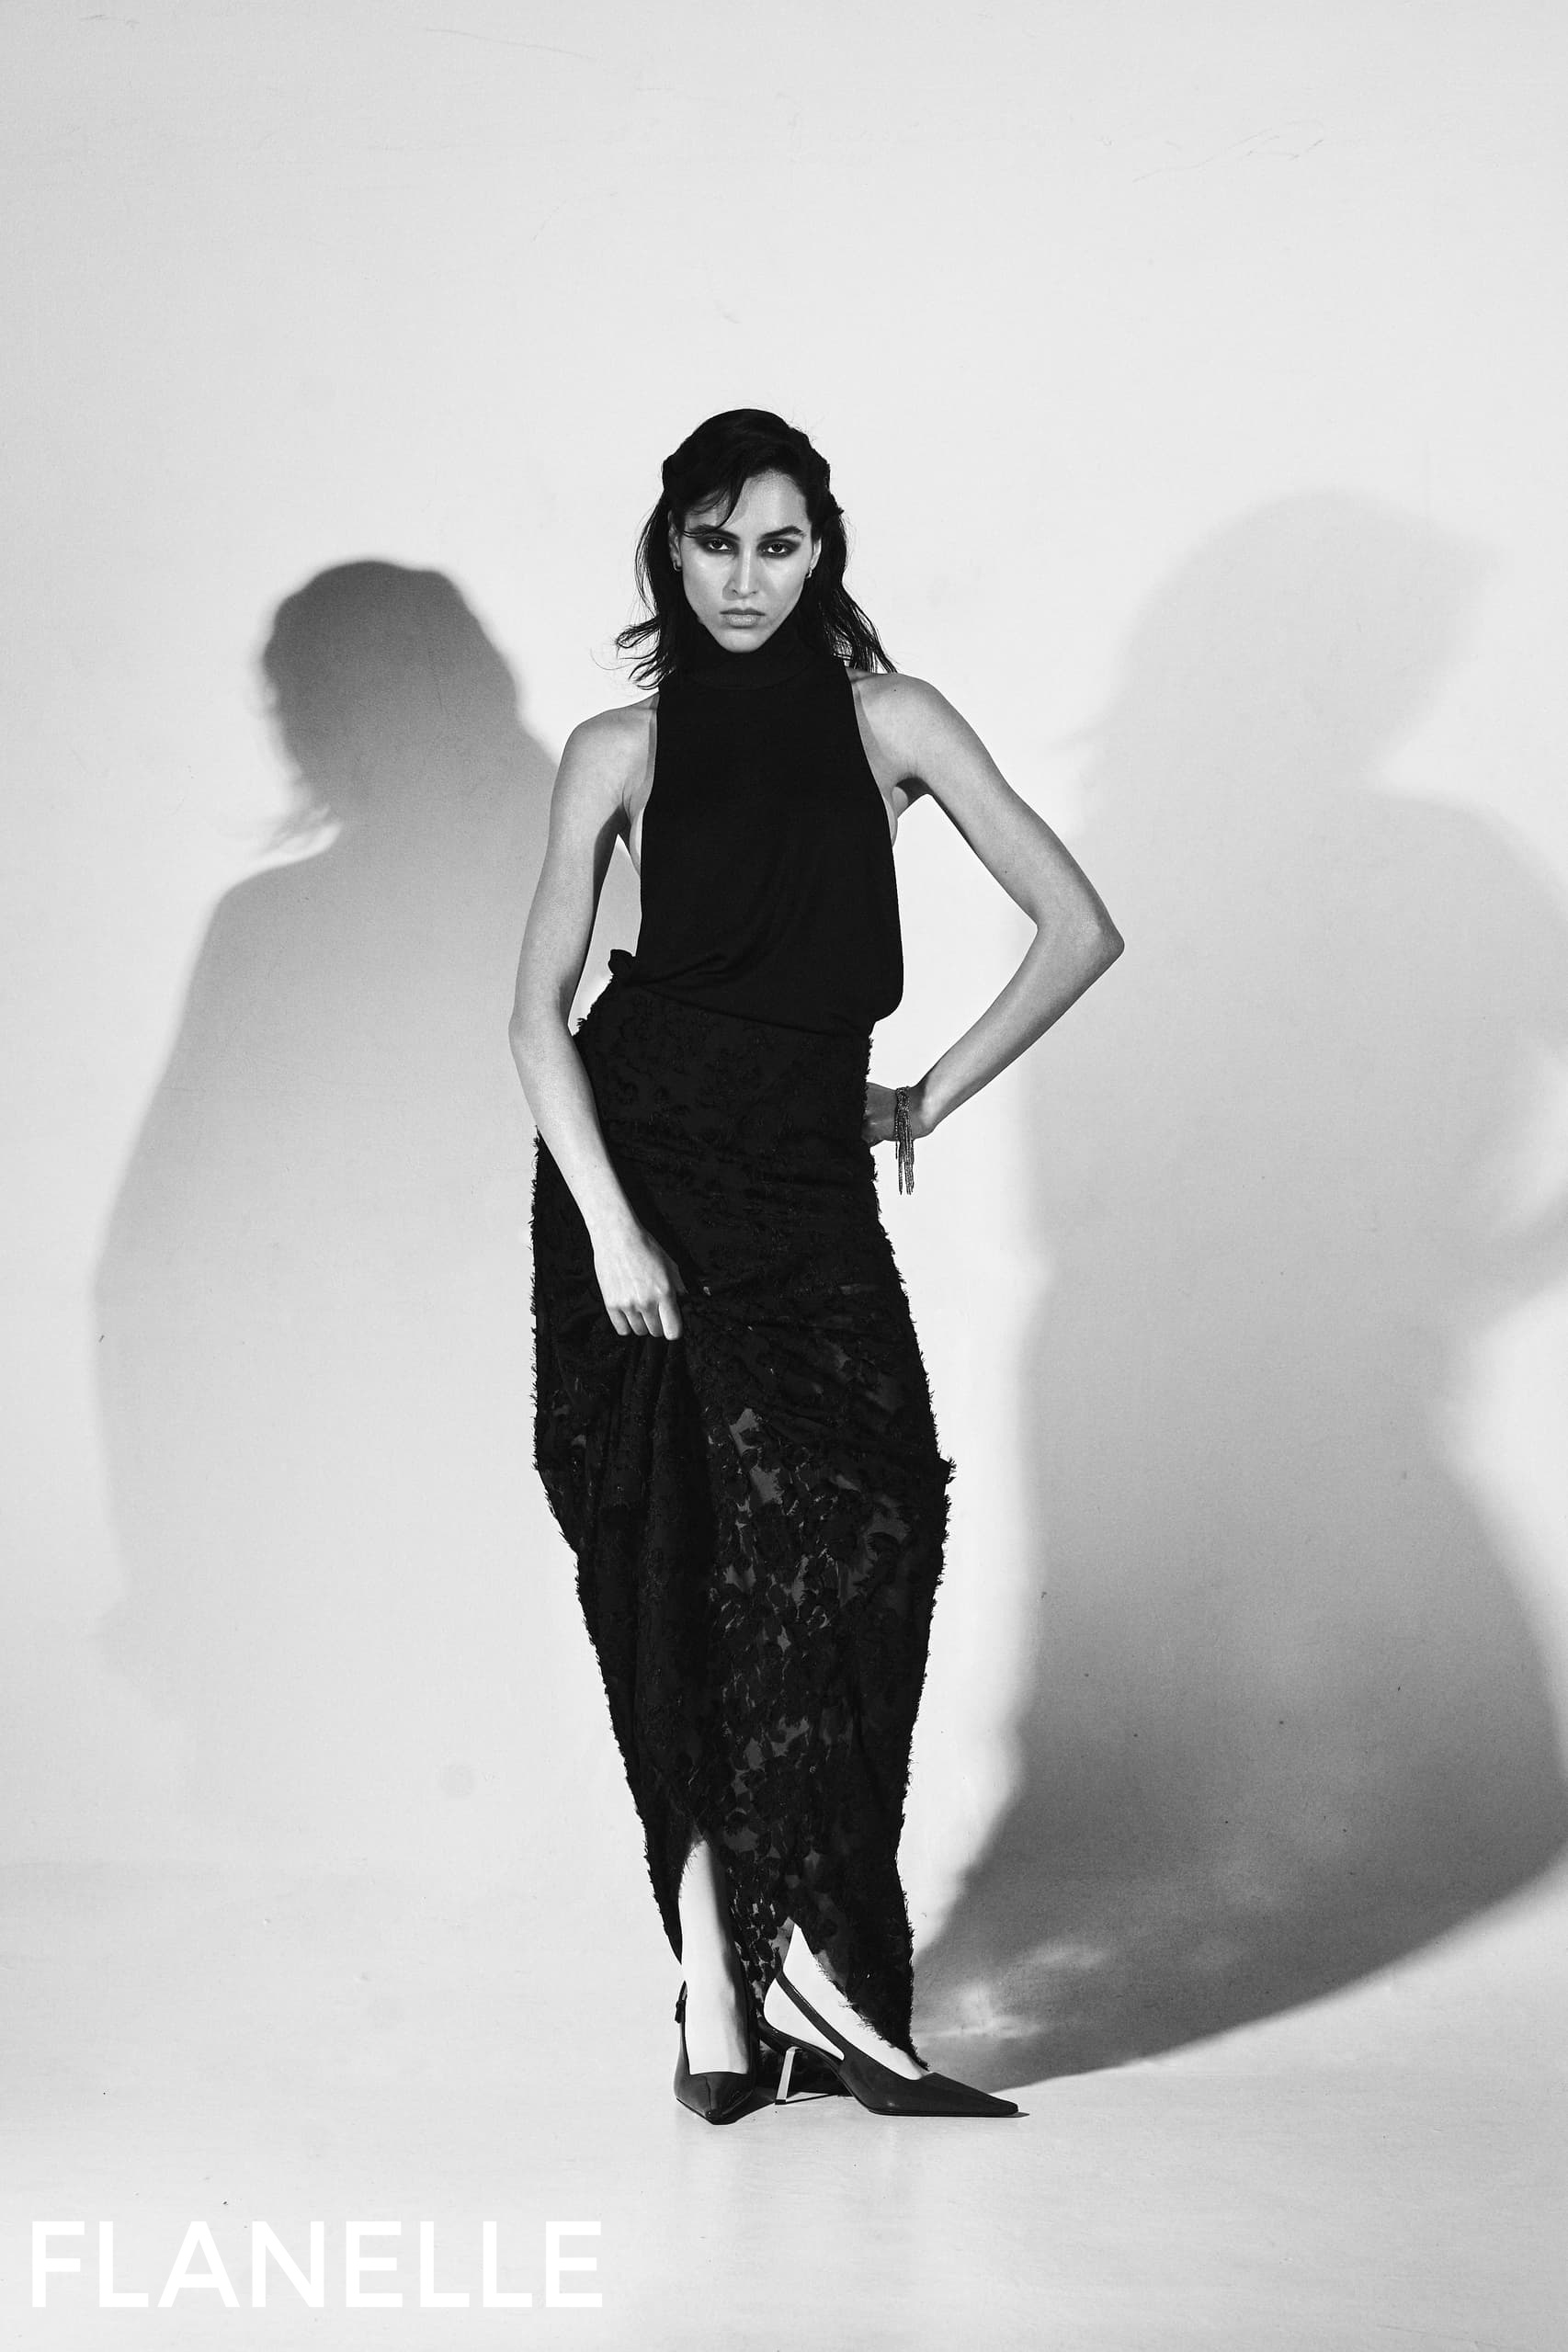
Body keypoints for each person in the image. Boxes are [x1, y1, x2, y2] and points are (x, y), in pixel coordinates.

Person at [510, 408, 1122, 2121]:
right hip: (631, 1174)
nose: (743, 579)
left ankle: (813, 1967)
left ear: (824, 554)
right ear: (666, 549)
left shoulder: (893, 724)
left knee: (872, 1529)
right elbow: (532, 1018)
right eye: (711, 540)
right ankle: (717, 1992)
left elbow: (1080, 927)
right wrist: (617, 1229)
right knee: (666, 1571)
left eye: (778, 544)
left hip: (798, 1187)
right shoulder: (614, 750)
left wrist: (918, 1092)